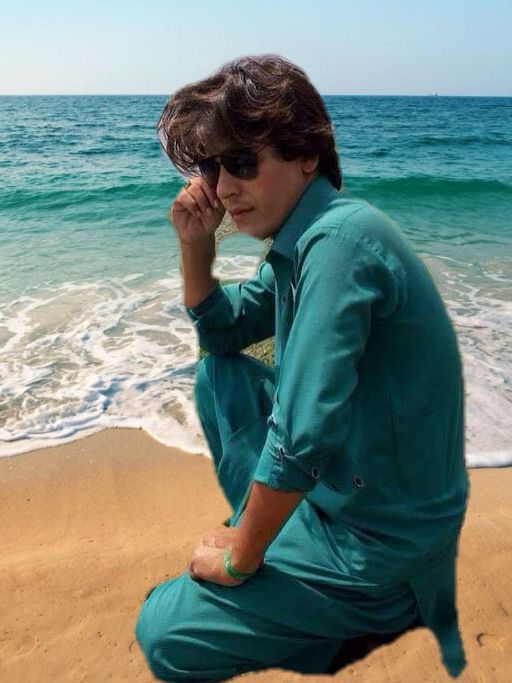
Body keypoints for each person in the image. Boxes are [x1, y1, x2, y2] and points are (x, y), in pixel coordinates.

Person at [135, 54, 470, 682]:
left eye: (242, 162)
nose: (223, 188)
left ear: (306, 154)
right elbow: (223, 331)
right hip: (355, 493)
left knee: (162, 632)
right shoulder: (307, 239)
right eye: (213, 168)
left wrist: (240, 557)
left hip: (381, 544)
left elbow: (303, 435)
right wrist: (195, 245)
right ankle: (278, 555)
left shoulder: (337, 243)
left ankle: (344, 610)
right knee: (221, 375)